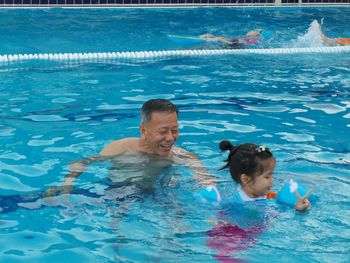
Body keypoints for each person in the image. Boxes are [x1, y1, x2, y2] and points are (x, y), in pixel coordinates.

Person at [45, 98, 218, 198]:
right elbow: (83, 162)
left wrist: (210, 190)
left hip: (158, 194)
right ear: (143, 130)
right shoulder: (121, 148)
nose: (170, 138)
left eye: (175, 130)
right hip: (116, 193)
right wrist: (67, 183)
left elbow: (206, 180)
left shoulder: (182, 157)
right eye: (163, 131)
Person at [218, 140, 312, 211]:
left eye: (271, 175)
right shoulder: (234, 204)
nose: (272, 180)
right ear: (246, 179)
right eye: (267, 176)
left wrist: (299, 209)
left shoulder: (271, 195)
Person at [200, 28, 265, 49]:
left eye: (253, 30)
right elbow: (231, 39)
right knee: (219, 38)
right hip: (233, 42)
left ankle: (210, 39)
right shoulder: (244, 37)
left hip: (235, 45)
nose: (250, 30)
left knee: (219, 40)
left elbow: (236, 43)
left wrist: (220, 39)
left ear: (257, 34)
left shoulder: (255, 39)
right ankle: (210, 38)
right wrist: (213, 36)